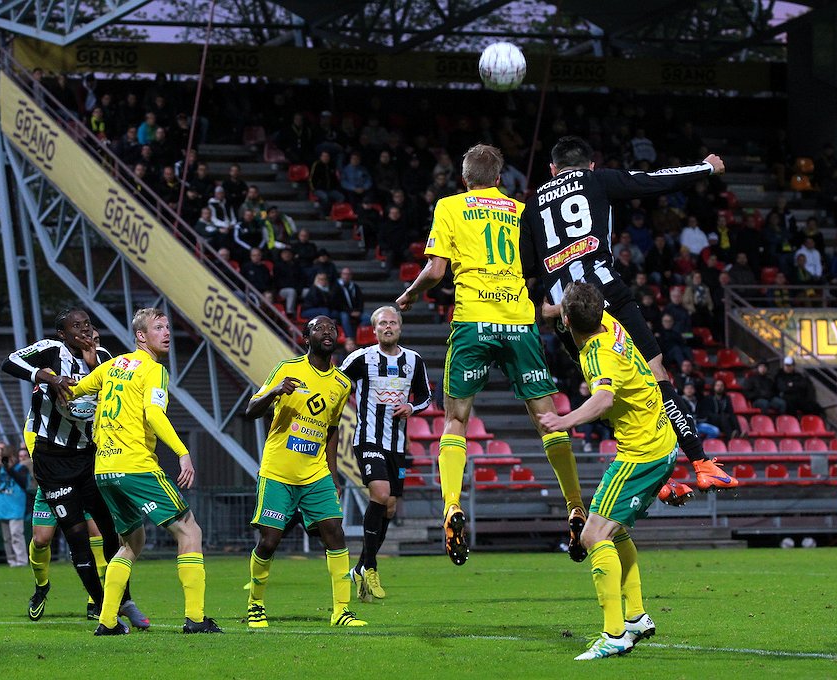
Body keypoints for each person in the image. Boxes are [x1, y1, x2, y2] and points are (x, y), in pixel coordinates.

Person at [397, 143, 588, 566]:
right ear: (500, 179)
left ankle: (452, 505)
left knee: (455, 421)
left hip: (473, 322)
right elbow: (542, 265)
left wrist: (410, 294)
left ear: (465, 178)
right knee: (548, 420)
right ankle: (576, 506)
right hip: (519, 322)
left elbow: (436, 271)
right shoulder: (521, 210)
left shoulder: (449, 206)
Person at [519, 135, 737, 493]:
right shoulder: (596, 180)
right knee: (654, 372)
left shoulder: (530, 207)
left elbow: (527, 270)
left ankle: (654, 475)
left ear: (552, 169)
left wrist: (547, 307)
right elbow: (652, 181)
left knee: (607, 389)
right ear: (590, 165)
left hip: (566, 312)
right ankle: (701, 463)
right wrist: (706, 168)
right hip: (605, 291)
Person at [538, 282, 674, 660]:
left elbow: (602, 399)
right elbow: (583, 304)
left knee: (593, 535)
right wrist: (556, 310)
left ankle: (613, 634)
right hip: (660, 440)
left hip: (641, 452)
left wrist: (563, 421)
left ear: (567, 320)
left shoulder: (598, 354)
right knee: (615, 529)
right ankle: (636, 616)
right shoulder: (610, 321)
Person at [70, 308, 221, 635]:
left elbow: (74, 390)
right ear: (141, 336)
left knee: (131, 542)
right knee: (189, 531)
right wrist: (182, 453)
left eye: (167, 327)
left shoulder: (111, 366)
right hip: (136, 465)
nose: (166, 333)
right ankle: (196, 619)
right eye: (158, 327)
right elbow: (153, 413)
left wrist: (48, 380)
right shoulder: (153, 370)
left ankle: (108, 621)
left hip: (105, 469)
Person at [1, 309, 148, 628]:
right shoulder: (50, 351)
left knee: (109, 531)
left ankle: (121, 602)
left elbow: (117, 396)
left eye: (88, 325)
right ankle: (63, 594)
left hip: (89, 458)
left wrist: (94, 368)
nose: (84, 330)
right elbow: (9, 362)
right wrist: (50, 378)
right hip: (52, 461)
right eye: (76, 326)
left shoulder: (105, 357)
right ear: (62, 334)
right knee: (62, 538)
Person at [243, 316, 366, 629]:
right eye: (318, 328)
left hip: (315, 473)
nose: (327, 331)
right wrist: (275, 391)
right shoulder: (287, 369)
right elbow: (251, 410)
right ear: (306, 337)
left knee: (335, 533)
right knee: (269, 540)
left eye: (332, 328)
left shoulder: (342, 384)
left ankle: (341, 611)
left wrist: (334, 475)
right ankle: (255, 604)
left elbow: (332, 430)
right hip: (278, 471)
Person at [339, 307, 432, 602]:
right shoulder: (361, 358)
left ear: (400, 328)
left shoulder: (413, 360)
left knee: (389, 507)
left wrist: (411, 407)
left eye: (393, 322)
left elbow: (426, 397)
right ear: (374, 330)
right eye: (382, 323)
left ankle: (359, 568)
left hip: (397, 445)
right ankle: (371, 567)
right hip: (368, 439)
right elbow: (336, 384)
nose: (388, 326)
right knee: (380, 493)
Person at [0, 444, 30, 567]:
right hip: (2, 507)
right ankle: (12, 561)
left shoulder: (21, 468)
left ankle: (21, 560)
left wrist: (9, 468)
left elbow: (23, 482)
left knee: (16, 534)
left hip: (15, 506)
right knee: (7, 537)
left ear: (13, 457)